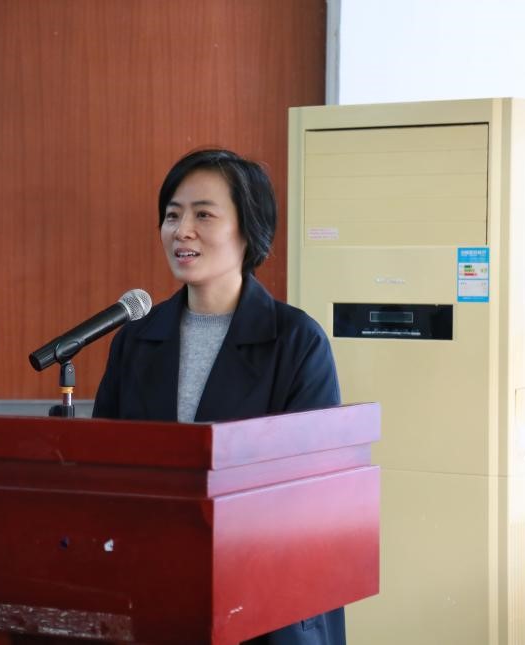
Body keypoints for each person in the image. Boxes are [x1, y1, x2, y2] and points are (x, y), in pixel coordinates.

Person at [92, 149, 345, 645]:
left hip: (263, 600)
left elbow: (311, 495)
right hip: (157, 589)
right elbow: (107, 466)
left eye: (203, 215)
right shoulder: (137, 338)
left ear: (248, 230)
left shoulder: (296, 340)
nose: (181, 231)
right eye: (172, 215)